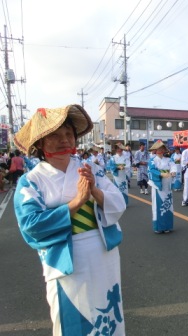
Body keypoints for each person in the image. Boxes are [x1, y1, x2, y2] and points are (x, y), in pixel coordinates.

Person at [13, 104, 126, 335]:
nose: (64, 139)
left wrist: (95, 192)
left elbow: (119, 202)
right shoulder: (31, 181)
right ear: (40, 144)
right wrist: (76, 203)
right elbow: (32, 225)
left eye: (68, 134)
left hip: (103, 253)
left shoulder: (90, 168)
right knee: (73, 320)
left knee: (108, 315)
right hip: (66, 261)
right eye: (54, 135)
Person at [147, 141, 176, 233]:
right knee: (158, 205)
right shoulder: (152, 160)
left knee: (168, 205)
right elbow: (151, 170)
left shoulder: (168, 159)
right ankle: (159, 227)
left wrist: (173, 171)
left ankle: (167, 226)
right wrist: (160, 174)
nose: (161, 150)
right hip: (158, 185)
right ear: (155, 150)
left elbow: (173, 166)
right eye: (159, 149)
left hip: (167, 184)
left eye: (162, 148)